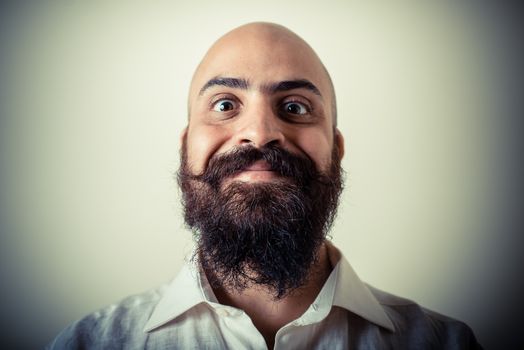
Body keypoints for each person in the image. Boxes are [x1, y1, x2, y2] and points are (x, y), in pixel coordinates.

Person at [47, 22, 482, 349]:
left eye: (295, 106)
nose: (259, 133)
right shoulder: (89, 342)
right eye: (224, 104)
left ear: (337, 149)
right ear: (185, 147)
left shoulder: (447, 343)